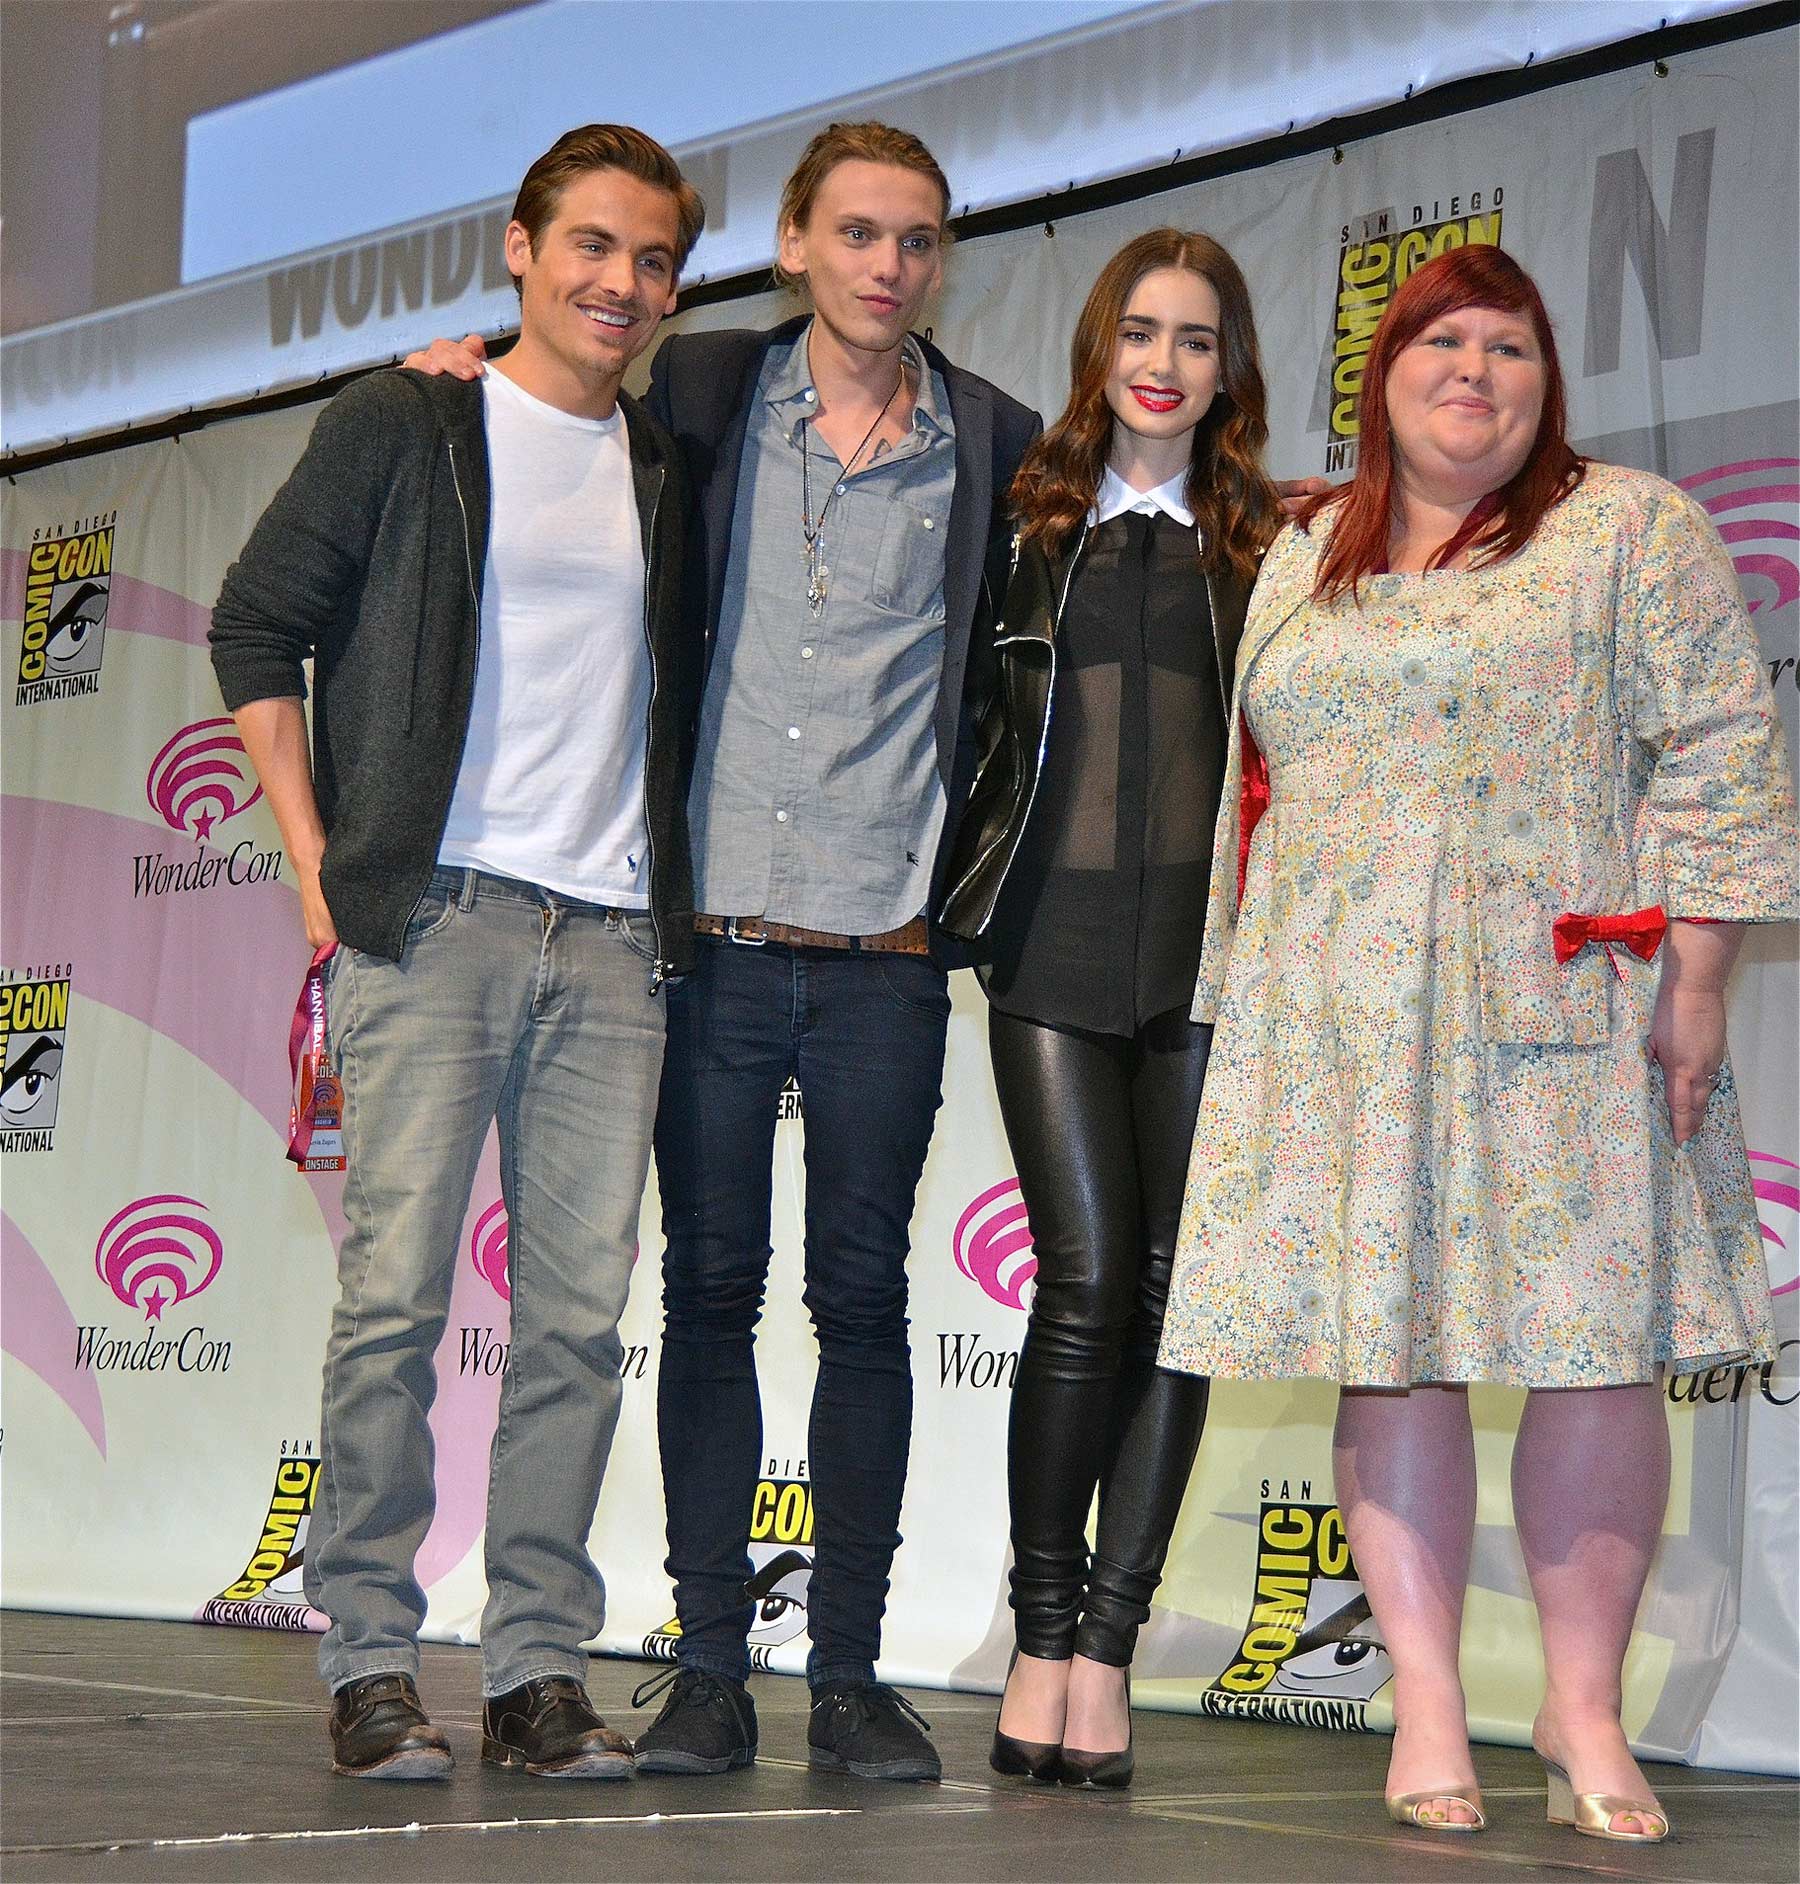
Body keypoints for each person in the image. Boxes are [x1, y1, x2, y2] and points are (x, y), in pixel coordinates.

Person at [406, 120, 1038, 1781]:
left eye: (918, 238)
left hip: (889, 955)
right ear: (796, 241)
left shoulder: (994, 439)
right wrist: (451, 375)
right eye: (858, 233)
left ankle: (849, 1674)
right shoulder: (690, 398)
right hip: (712, 951)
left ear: (940, 259)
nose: (888, 264)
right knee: (704, 1300)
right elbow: (529, 410)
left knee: (869, 1312)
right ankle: (703, 1669)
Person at [1156, 243, 1798, 1840]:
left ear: (1548, 380)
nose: (1475, 372)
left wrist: (1701, 978)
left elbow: (1721, 756)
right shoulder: (1308, 548)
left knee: (1591, 1359)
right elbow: (1261, 785)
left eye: (1509, 347)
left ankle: (1584, 1715)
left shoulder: (1631, 530)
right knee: (1397, 1352)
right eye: (1442, 341)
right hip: (1344, 1019)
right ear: (1383, 376)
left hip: (1564, 1009)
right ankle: (1425, 1699)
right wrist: (1248, 1002)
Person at [210, 124, 704, 1781]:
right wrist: (311, 857)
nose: (620, 283)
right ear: (518, 246)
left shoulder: (666, 460)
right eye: (592, 247)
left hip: (616, 939)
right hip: (434, 921)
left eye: (652, 261)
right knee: (394, 1310)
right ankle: (366, 1654)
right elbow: (252, 623)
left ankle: (535, 1673)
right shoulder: (409, 419)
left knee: (573, 1326)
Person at [937, 229, 1281, 1787]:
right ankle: (1040, 1630)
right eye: (1140, 329)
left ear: (1230, 369)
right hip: (1053, 957)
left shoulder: (1273, 547)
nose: (1164, 359)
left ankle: (1111, 1652)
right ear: (1098, 348)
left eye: (1196, 338)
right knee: (1081, 1292)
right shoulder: (1027, 521)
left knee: (1178, 1299)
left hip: (1213, 972)